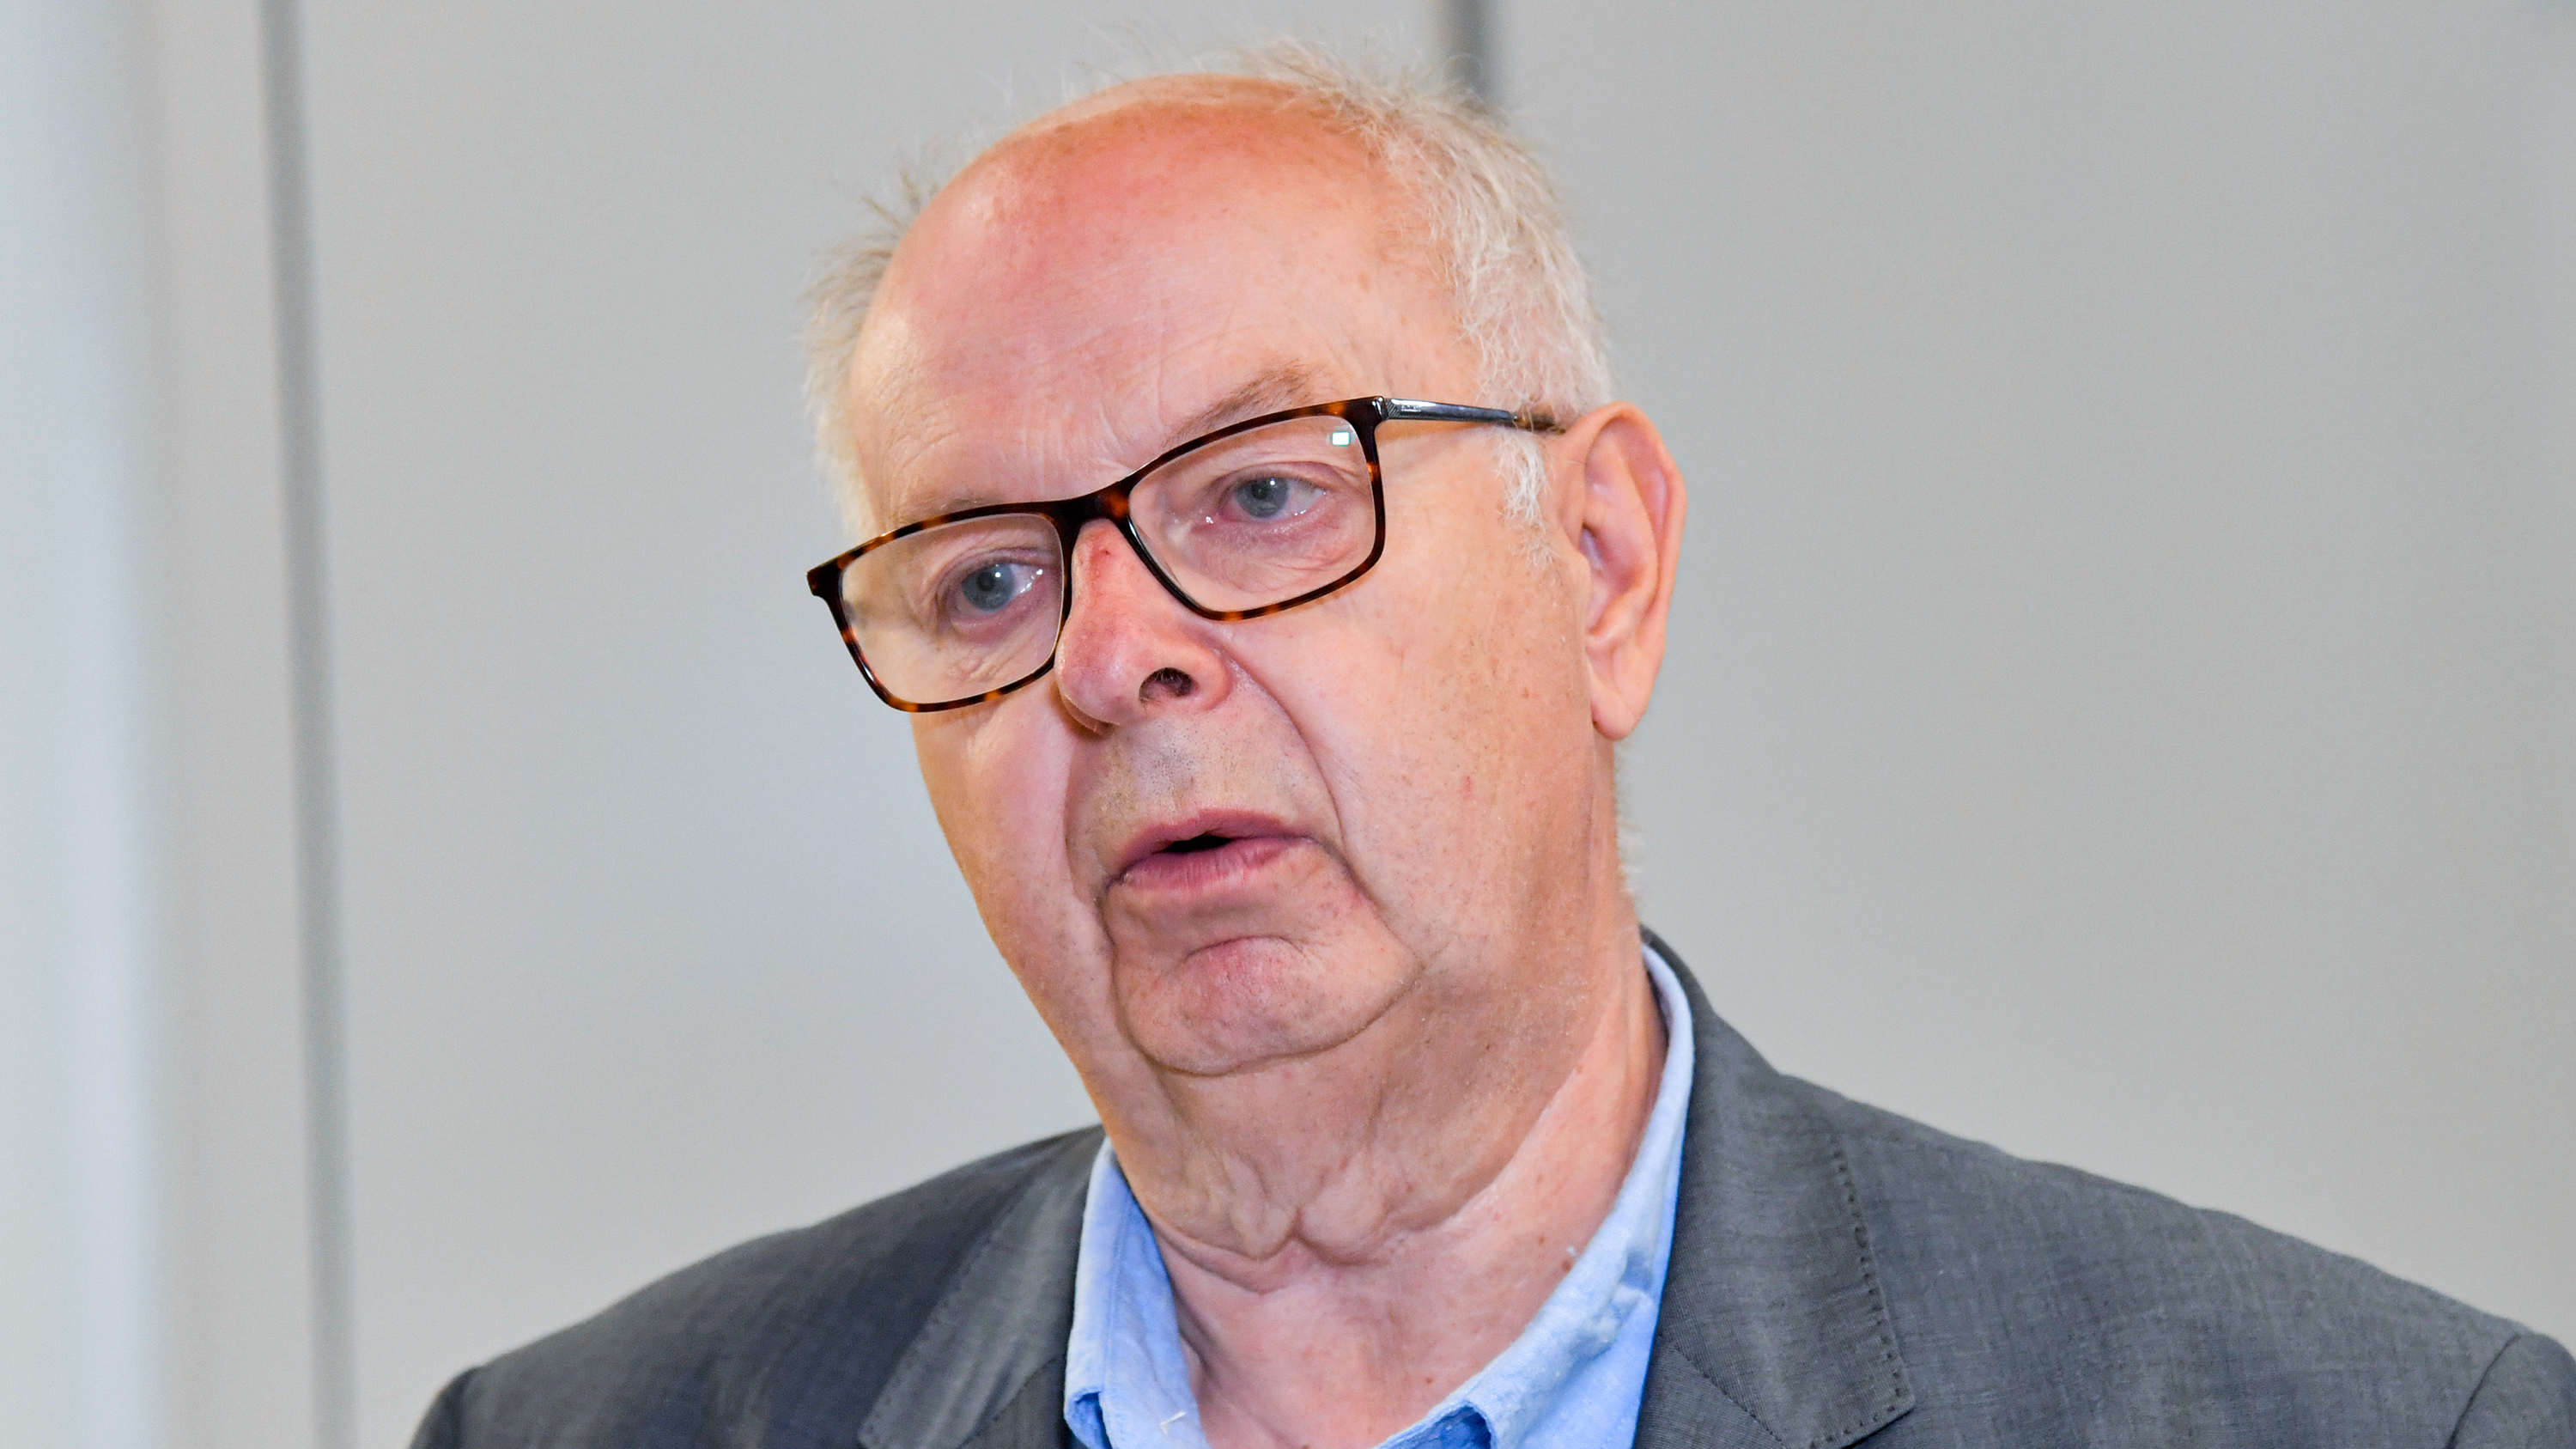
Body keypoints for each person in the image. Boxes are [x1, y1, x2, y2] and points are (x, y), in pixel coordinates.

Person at [409, 45, 2574, 1449]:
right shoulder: (594, 1430)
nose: (1116, 658)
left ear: (1602, 565)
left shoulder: (2368, 1421)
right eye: (987, 579)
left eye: (1266, 490)